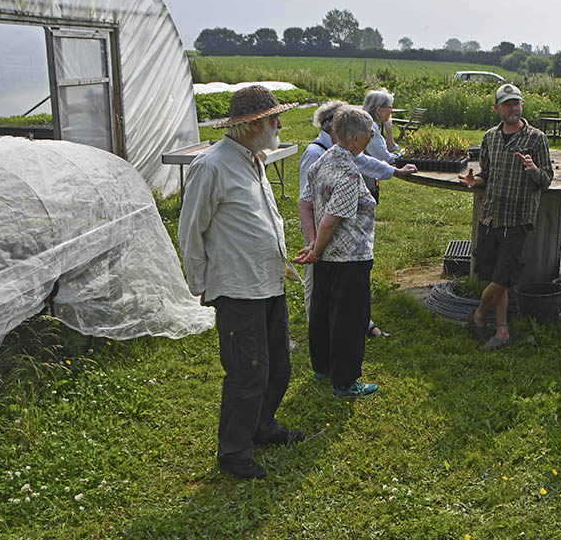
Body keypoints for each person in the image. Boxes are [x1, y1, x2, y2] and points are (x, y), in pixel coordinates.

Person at [177, 85, 304, 481]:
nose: (280, 124)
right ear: (252, 125)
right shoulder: (212, 166)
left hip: (269, 282)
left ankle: (263, 427)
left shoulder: (253, 159)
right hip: (237, 289)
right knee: (247, 373)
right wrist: (201, 283)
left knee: (277, 366)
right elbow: (190, 231)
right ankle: (233, 452)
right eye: (274, 118)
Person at [298, 101, 415, 323]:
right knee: (316, 282)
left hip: (330, 242)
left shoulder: (340, 152)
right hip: (322, 239)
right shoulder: (316, 154)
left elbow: (367, 162)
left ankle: (331, 325)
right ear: (334, 129)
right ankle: (315, 320)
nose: (369, 137)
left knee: (338, 295)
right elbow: (309, 203)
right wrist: (314, 243)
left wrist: (395, 171)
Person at [293, 106, 380, 398]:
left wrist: (313, 244)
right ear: (355, 139)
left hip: (326, 257)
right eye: (369, 133)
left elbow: (305, 203)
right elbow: (332, 218)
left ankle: (323, 367)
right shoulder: (349, 173)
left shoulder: (322, 160)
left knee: (323, 311)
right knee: (350, 319)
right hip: (350, 258)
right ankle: (344, 382)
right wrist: (316, 248)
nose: (372, 136)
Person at [458, 83, 553, 351]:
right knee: (491, 275)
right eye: (508, 104)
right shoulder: (490, 137)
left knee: (502, 277)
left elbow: (545, 180)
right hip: (490, 216)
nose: (514, 108)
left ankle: (477, 316)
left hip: (517, 217)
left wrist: (533, 169)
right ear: (497, 108)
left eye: (517, 103)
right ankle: (502, 331)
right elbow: (486, 174)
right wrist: (474, 181)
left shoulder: (536, 138)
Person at [361, 88, 403, 202]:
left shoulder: (372, 125)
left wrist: (389, 129)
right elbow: (386, 158)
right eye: (389, 107)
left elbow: (388, 150)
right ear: (379, 109)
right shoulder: (370, 128)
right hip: (364, 185)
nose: (391, 111)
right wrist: (403, 155)